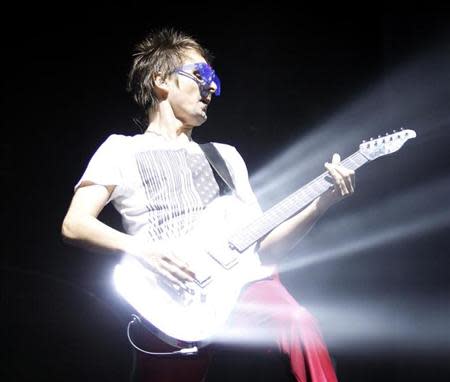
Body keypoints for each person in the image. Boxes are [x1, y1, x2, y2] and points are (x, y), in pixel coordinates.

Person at [61, 28, 355, 382]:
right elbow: (74, 225)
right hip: (165, 298)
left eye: (214, 79)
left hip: (237, 290)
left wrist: (321, 203)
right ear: (161, 81)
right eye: (201, 76)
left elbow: (265, 250)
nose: (212, 88)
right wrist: (143, 250)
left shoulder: (225, 157)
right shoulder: (120, 150)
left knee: (297, 321)